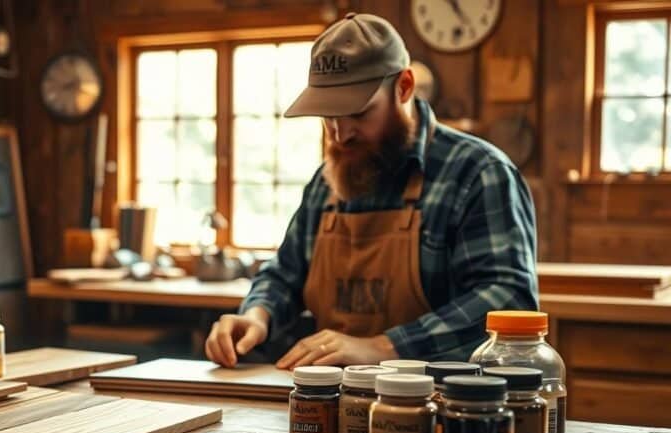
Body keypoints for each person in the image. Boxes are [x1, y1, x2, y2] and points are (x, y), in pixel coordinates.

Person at [205, 13, 538, 369]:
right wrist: (258, 316)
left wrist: (384, 348)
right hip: (331, 404)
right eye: (327, 117)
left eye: (359, 113)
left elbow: (507, 300)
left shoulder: (477, 173)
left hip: (445, 410)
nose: (340, 134)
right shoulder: (327, 181)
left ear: (404, 87)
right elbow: (284, 274)